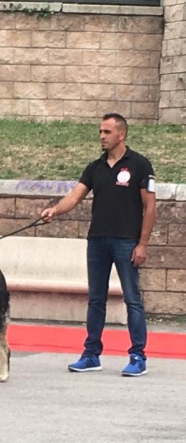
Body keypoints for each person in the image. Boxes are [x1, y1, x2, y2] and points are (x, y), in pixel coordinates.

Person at [41, 112, 156, 377]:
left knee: (132, 300)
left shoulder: (139, 164)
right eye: (100, 132)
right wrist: (54, 211)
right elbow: (75, 196)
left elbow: (150, 206)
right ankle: (91, 354)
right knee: (96, 300)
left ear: (121, 134)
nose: (102, 136)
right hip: (98, 241)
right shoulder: (95, 167)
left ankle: (138, 356)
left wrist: (143, 244)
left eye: (107, 132)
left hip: (127, 242)